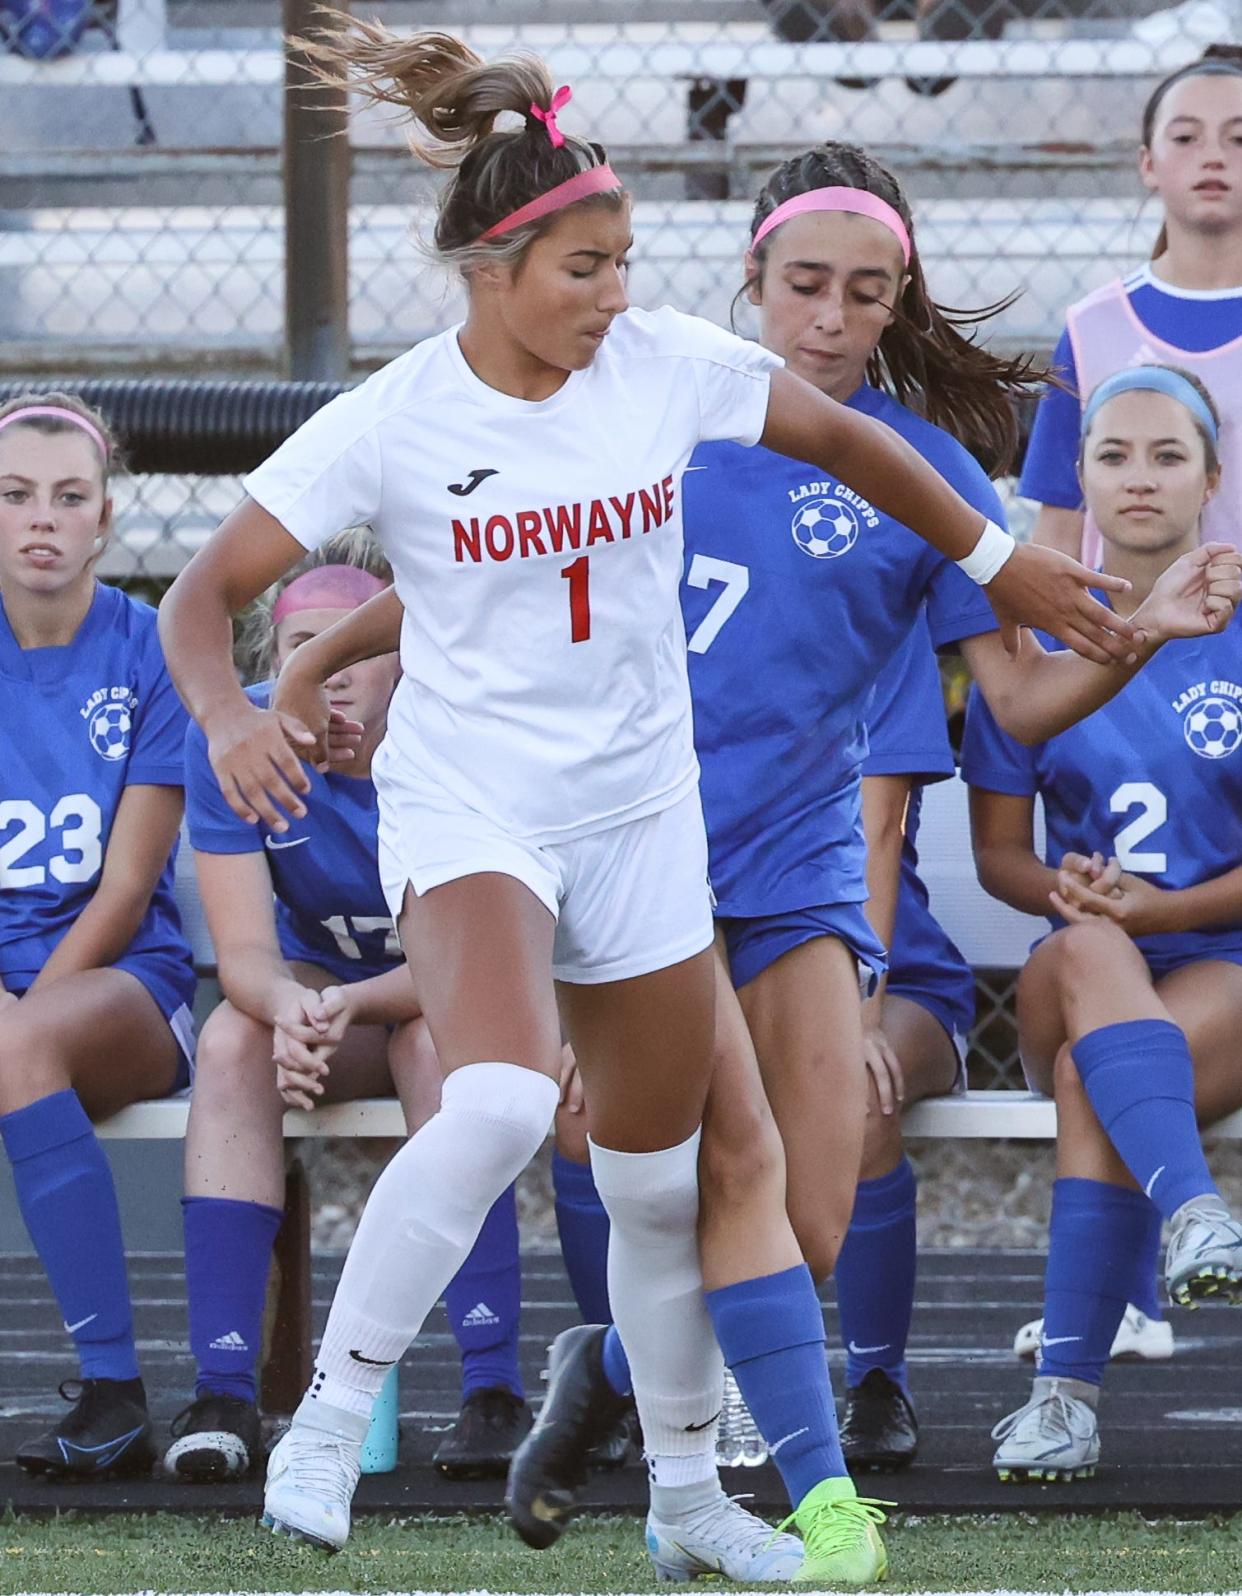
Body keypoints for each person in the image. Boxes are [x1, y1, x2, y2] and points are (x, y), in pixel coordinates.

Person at [158, 18, 1144, 1577]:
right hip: (478, 812)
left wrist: (1001, 559)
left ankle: (688, 1507)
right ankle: (329, 1417)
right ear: (489, 270)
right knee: (490, 1099)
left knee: (662, 1189)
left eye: (627, 260)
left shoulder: (664, 366)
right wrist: (237, 706)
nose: (619, 294)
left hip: (641, 823)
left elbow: (851, 444)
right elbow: (200, 597)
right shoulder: (396, 419)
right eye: (586, 269)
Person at [503, 138, 1240, 1578]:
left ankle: (613, 1361)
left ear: (895, 302)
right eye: (802, 286)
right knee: (645, 1163)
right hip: (640, 866)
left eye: (862, 292)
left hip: (802, 880)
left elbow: (1019, 702)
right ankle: (764, 1491)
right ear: (750, 283)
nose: (827, 320)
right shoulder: (642, 411)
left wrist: (1142, 634)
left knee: (813, 1216)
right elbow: (519, 638)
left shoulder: (926, 466)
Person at [167, 535, 533, 1484]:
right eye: (299, 648)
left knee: (442, 1052)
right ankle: (222, 1393)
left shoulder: (461, 735)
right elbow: (245, 950)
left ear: (402, 655)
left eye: (349, 649)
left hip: (447, 1001)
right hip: (327, 1004)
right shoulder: (241, 739)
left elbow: (481, 961)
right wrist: (292, 1008)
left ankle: (493, 1387)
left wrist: (340, 1002)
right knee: (231, 1041)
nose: (321, 674)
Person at [963, 366, 1242, 1482]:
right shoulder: (1035, 648)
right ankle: (1194, 1211)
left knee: (1098, 1077)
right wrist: (1068, 894)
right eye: (1114, 455)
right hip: (1077, 967)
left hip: (1216, 960)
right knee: (1086, 954)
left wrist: (1164, 906)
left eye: (1168, 455)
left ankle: (1063, 1402)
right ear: (1075, 477)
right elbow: (997, 857)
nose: (1139, 477)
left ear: (1211, 480)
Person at [0, 394, 196, 1478]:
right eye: (16, 495)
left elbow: (124, 891)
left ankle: (115, 1392)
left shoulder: (147, 648)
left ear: (105, 520)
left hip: (123, 982)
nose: (42, 518)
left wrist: (22, 1016)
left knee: (23, 1048)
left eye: (68, 497)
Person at [834, 615, 976, 1473]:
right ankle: (617, 1389)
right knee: (590, 1103)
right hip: (715, 968)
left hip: (891, 975)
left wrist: (854, 1009)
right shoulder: (682, 636)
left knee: (860, 1090)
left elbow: (877, 828)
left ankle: (877, 1382)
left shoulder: (877, 630)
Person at [1024, 50, 1242, 566]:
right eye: (1186, 137)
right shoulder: (1091, 326)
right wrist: (1057, 648)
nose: (1213, 156)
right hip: (1128, 640)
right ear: (1148, 163)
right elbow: (1060, 526)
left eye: (1240, 138)